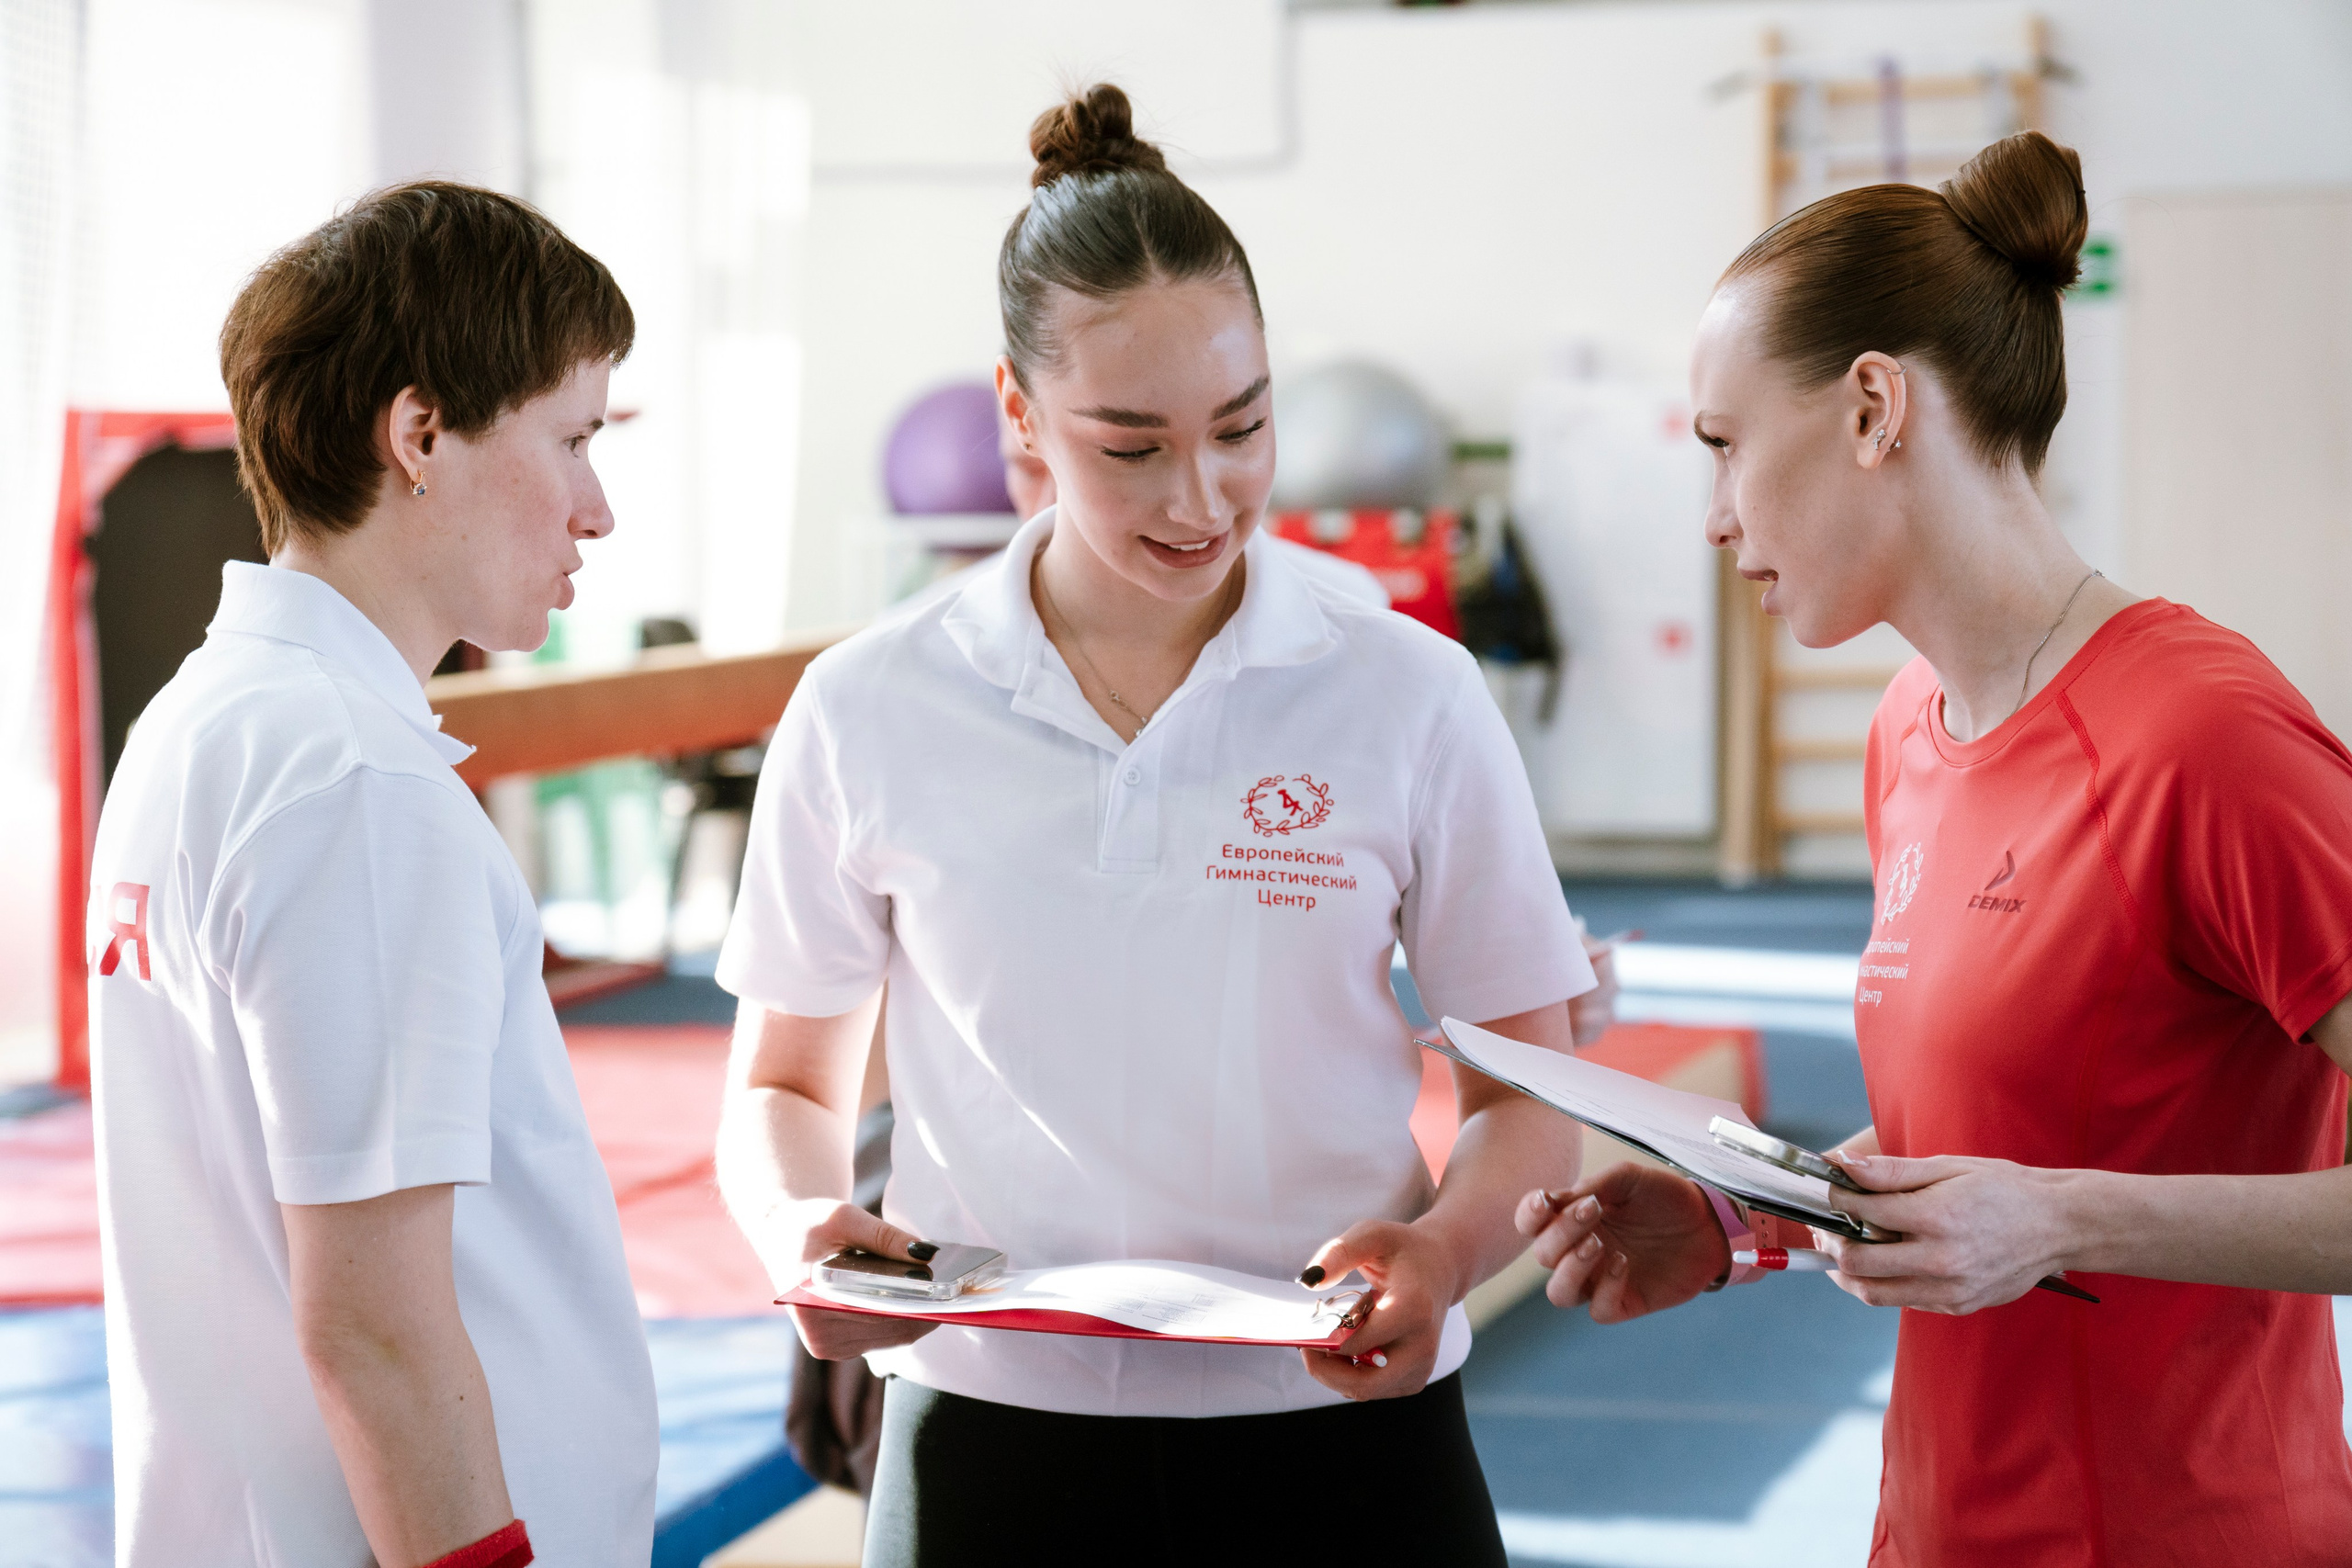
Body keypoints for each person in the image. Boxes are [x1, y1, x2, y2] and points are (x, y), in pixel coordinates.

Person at [715, 85, 1595, 1564]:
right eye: (1131, 447)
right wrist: (799, 1222)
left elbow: (1533, 1088)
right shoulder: (870, 705)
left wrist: (1444, 1250)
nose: (1204, 499)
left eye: (1243, 429)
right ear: (1019, 415)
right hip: (992, 1439)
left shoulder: (1406, 691)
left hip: (1339, 1433)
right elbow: (783, 1090)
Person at [1518, 130, 2352, 1566]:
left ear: (1872, 408)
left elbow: (2041, 1198)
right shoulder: (1910, 727)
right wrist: (1742, 1222)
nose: (1715, 519)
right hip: (1942, 1528)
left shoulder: (2204, 743)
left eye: (1724, 448)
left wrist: (2060, 1222)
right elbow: (1992, 1134)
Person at [85, 183, 656, 1568]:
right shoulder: (357, 782)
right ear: (420, 436)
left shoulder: (202, 717)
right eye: (574, 438)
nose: (599, 508)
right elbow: (376, 1334)